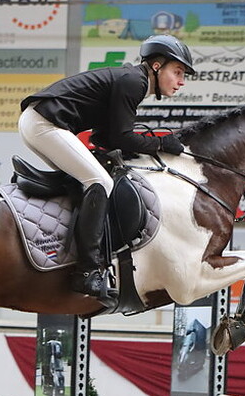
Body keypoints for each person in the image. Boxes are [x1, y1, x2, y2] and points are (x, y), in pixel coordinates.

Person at [18, 35, 195, 307]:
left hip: (39, 122)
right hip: (45, 124)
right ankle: (88, 271)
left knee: (92, 179)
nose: (182, 81)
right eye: (178, 72)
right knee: (99, 181)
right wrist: (161, 143)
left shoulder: (132, 81)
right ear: (157, 66)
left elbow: (106, 137)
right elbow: (123, 137)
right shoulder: (134, 82)